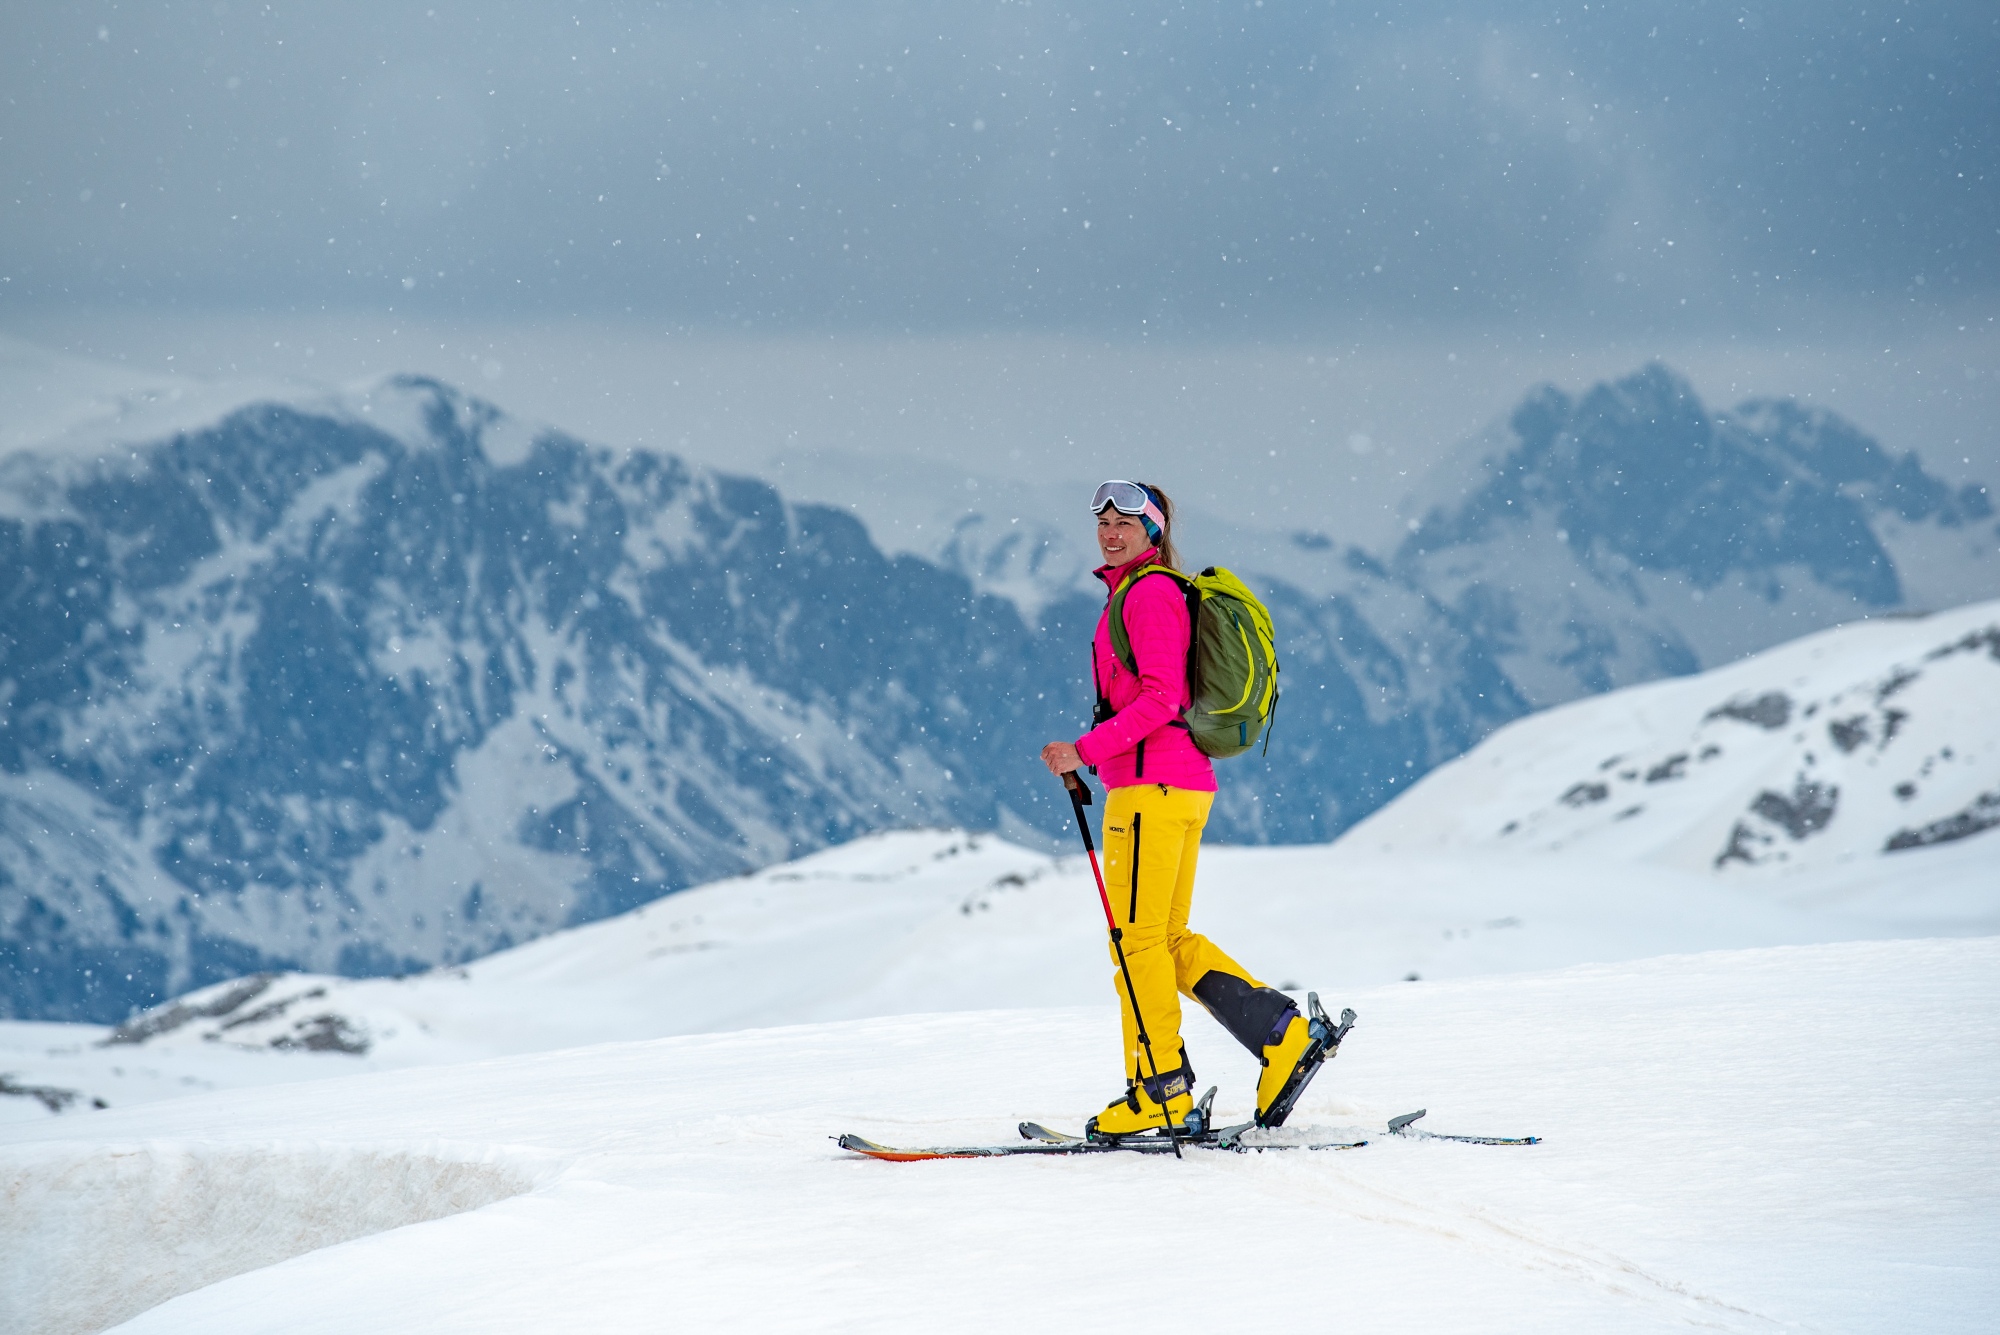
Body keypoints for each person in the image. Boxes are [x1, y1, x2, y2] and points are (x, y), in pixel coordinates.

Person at [1040, 480, 1315, 1137]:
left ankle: (1159, 1089)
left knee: (1137, 944)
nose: (1111, 531)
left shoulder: (1150, 593)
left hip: (1150, 793)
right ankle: (1283, 1035)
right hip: (1169, 787)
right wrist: (1098, 764)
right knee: (1162, 940)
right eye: (1103, 520)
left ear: (1153, 532)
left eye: (1126, 522)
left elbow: (1162, 698)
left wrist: (1083, 750)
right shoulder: (1143, 593)